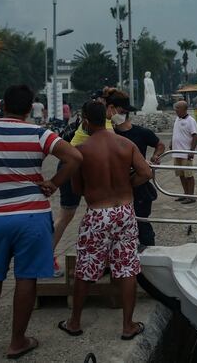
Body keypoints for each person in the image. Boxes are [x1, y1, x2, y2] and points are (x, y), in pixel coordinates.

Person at [0, 84, 82, 359]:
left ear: (3, 105)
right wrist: (54, 184)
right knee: (26, 277)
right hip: (33, 217)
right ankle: (17, 341)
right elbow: (74, 157)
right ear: (29, 107)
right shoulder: (39, 133)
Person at [58, 101, 152, 339]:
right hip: (124, 211)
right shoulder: (126, 144)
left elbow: (78, 189)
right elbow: (146, 173)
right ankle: (128, 325)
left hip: (97, 214)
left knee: (86, 267)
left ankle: (75, 322)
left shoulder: (81, 150)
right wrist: (126, 185)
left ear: (86, 121)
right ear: (107, 118)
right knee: (127, 267)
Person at [52, 88, 116, 277]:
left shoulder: (100, 124)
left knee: (77, 213)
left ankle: (103, 256)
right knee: (67, 214)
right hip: (72, 167)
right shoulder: (106, 128)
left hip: (75, 166)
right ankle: (45, 257)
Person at [111, 92, 164, 247]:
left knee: (141, 222)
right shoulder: (110, 134)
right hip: (118, 187)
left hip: (139, 185)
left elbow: (160, 144)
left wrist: (155, 156)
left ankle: (148, 252)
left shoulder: (141, 132)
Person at [171, 100, 197, 204]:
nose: (175, 110)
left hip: (185, 153)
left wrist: (192, 151)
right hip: (176, 152)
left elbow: (195, 135)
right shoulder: (177, 119)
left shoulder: (190, 121)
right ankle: (185, 194)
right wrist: (171, 142)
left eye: (178, 108)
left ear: (184, 109)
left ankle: (191, 196)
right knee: (181, 175)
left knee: (188, 175)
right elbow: (176, 133)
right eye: (175, 107)